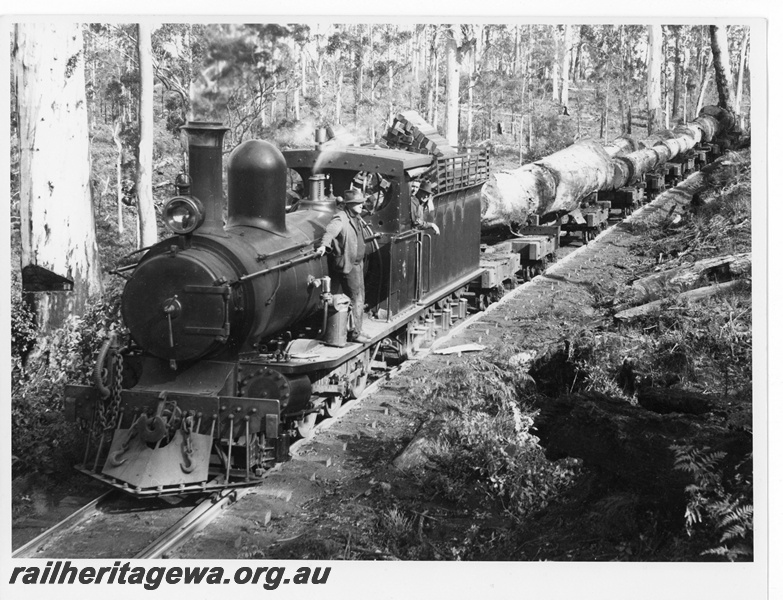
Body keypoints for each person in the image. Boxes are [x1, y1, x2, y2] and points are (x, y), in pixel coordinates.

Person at [315, 189, 371, 343]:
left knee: (360, 297)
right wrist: (323, 246)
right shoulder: (340, 218)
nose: (361, 206)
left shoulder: (356, 216)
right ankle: (354, 334)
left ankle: (358, 329)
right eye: (358, 203)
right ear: (350, 205)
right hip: (348, 264)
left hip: (358, 263)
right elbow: (330, 232)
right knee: (355, 298)